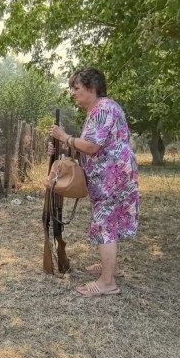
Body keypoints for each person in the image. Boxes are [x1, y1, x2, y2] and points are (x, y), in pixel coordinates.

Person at [49, 67, 139, 297]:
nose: (73, 93)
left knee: (105, 223)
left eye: (76, 88)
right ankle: (112, 267)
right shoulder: (102, 108)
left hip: (111, 176)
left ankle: (107, 282)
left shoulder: (102, 109)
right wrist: (66, 143)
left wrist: (64, 137)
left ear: (92, 87)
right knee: (111, 221)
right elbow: (89, 145)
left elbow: (91, 147)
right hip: (115, 173)